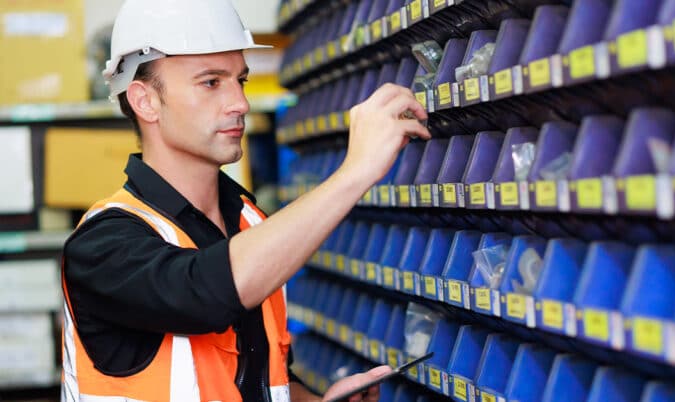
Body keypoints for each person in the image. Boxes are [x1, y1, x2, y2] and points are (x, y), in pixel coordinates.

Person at [59, 0, 430, 401]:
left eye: (241, 81)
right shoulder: (102, 245)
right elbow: (203, 293)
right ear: (145, 100)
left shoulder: (251, 224)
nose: (240, 103)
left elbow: (255, 379)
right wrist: (355, 172)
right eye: (211, 82)